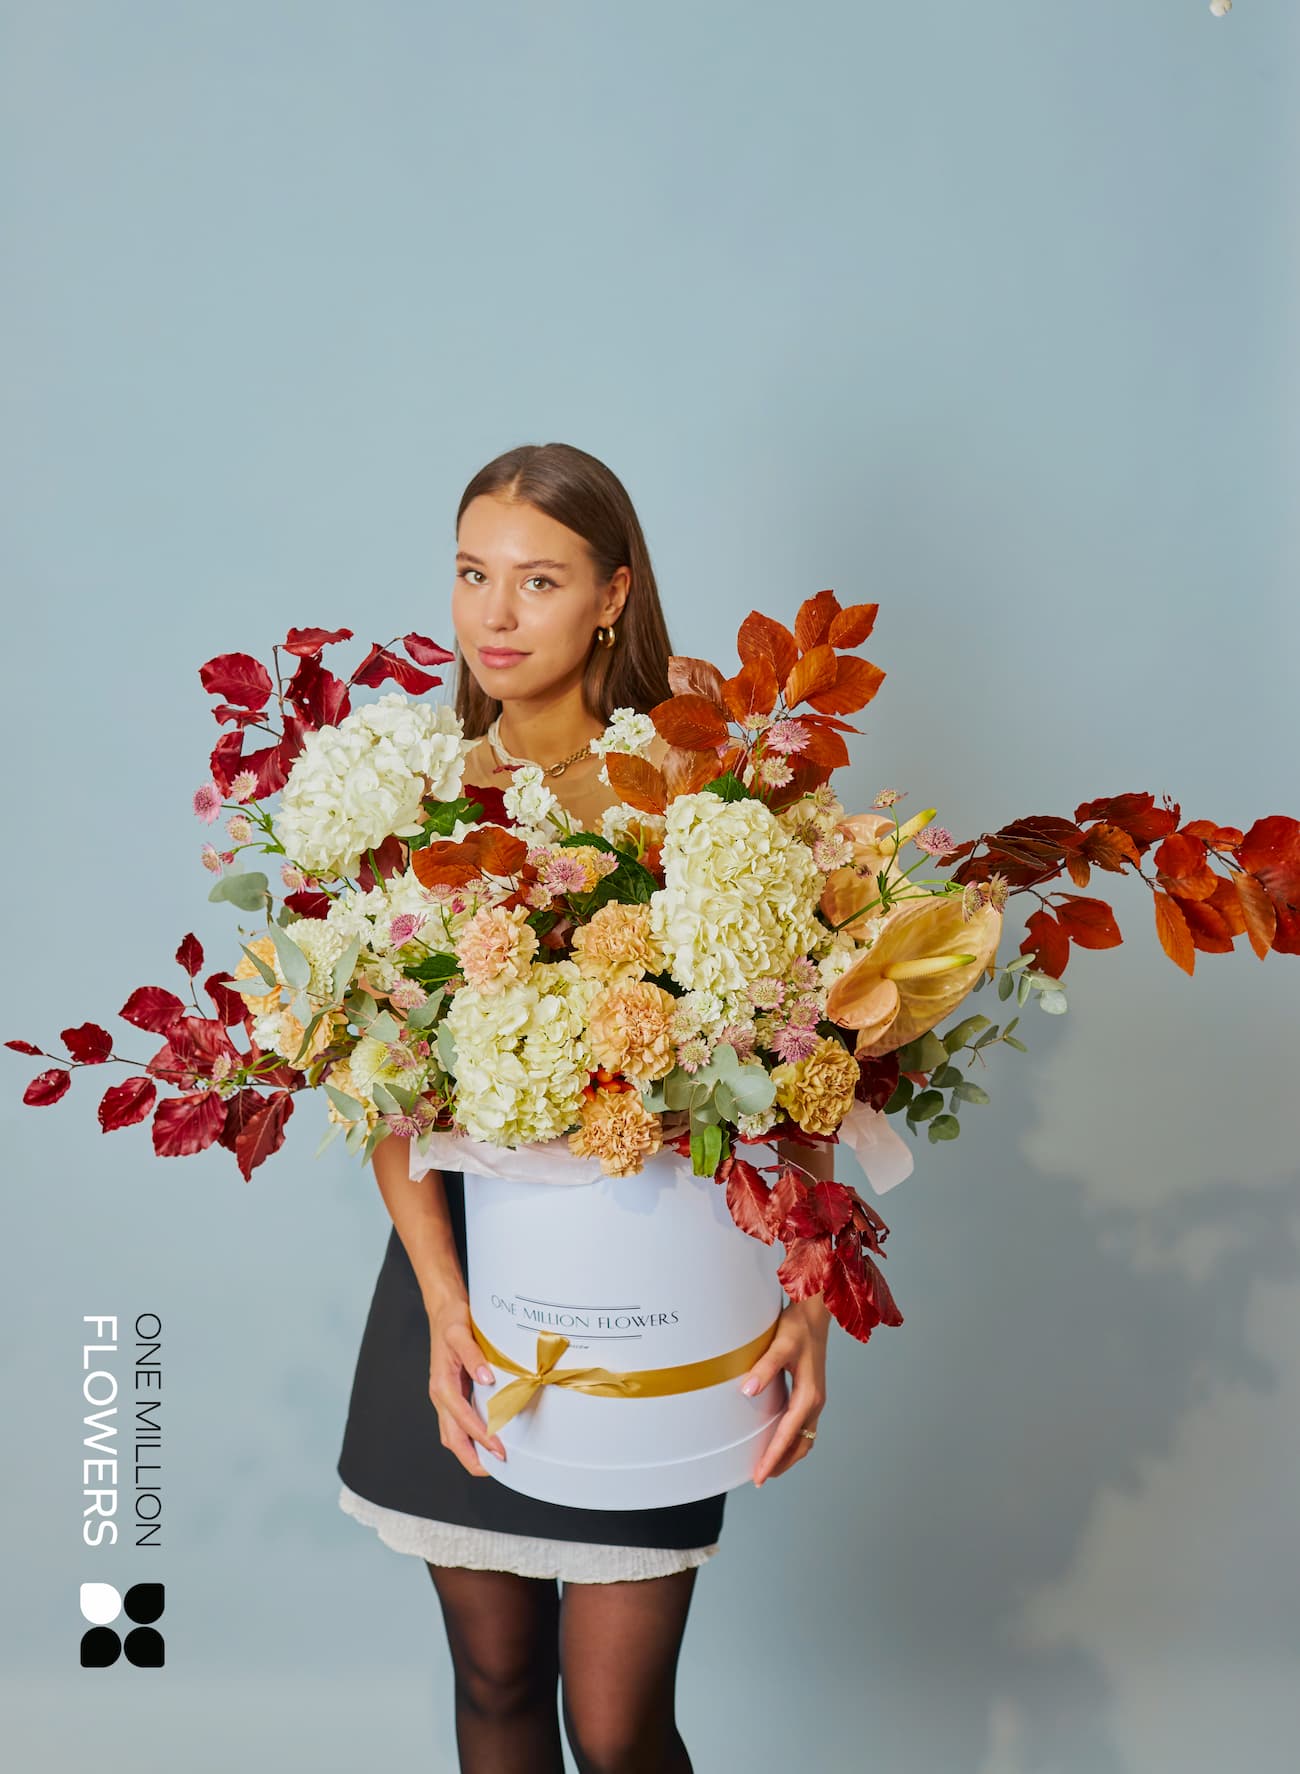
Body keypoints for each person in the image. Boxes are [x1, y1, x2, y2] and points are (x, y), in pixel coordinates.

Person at [337, 442, 832, 1773]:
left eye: (539, 581)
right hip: (457, 1285)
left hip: (655, 1292)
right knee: (495, 1680)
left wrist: (809, 1289)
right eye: (472, 575)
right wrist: (445, 1306)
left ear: (613, 594)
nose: (494, 616)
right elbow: (382, 1089)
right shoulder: (419, 798)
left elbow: (810, 1053)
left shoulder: (705, 785)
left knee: (617, 1730)